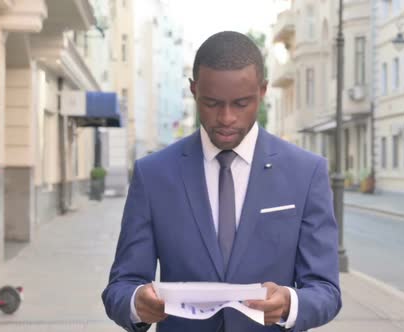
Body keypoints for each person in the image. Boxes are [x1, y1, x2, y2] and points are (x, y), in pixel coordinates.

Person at [102, 31, 341, 332]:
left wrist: (289, 304)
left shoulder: (307, 173)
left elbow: (326, 290)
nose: (226, 117)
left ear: (263, 91)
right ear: (193, 90)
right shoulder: (153, 175)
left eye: (241, 103)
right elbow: (121, 286)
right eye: (212, 103)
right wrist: (137, 302)